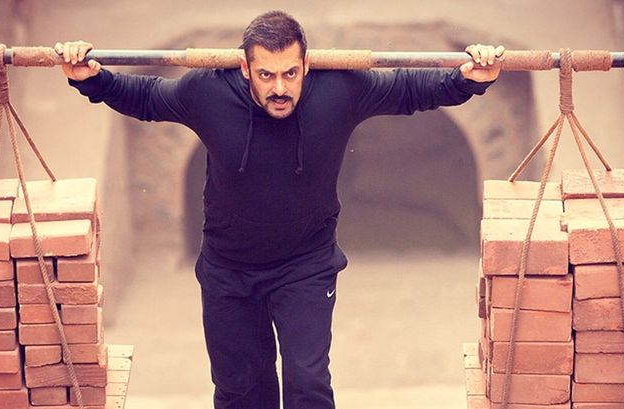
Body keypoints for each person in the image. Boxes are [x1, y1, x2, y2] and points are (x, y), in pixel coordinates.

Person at [56, 10, 503, 409]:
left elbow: (407, 89)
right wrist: (88, 77)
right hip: (228, 271)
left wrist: (468, 79)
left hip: (306, 266)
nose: (280, 88)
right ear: (245, 68)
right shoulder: (207, 93)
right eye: (266, 75)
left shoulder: (340, 89)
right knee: (240, 392)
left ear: (307, 63)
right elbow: (147, 97)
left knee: (308, 385)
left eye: (291, 73)